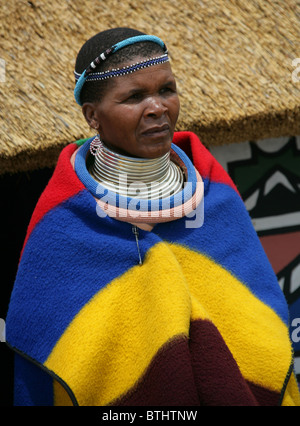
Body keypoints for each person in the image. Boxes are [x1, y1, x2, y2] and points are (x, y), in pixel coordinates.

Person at [6, 27, 300, 406]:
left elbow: (260, 324)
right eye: (134, 96)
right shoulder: (64, 222)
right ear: (92, 116)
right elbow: (45, 353)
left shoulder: (214, 196)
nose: (158, 107)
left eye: (166, 90)